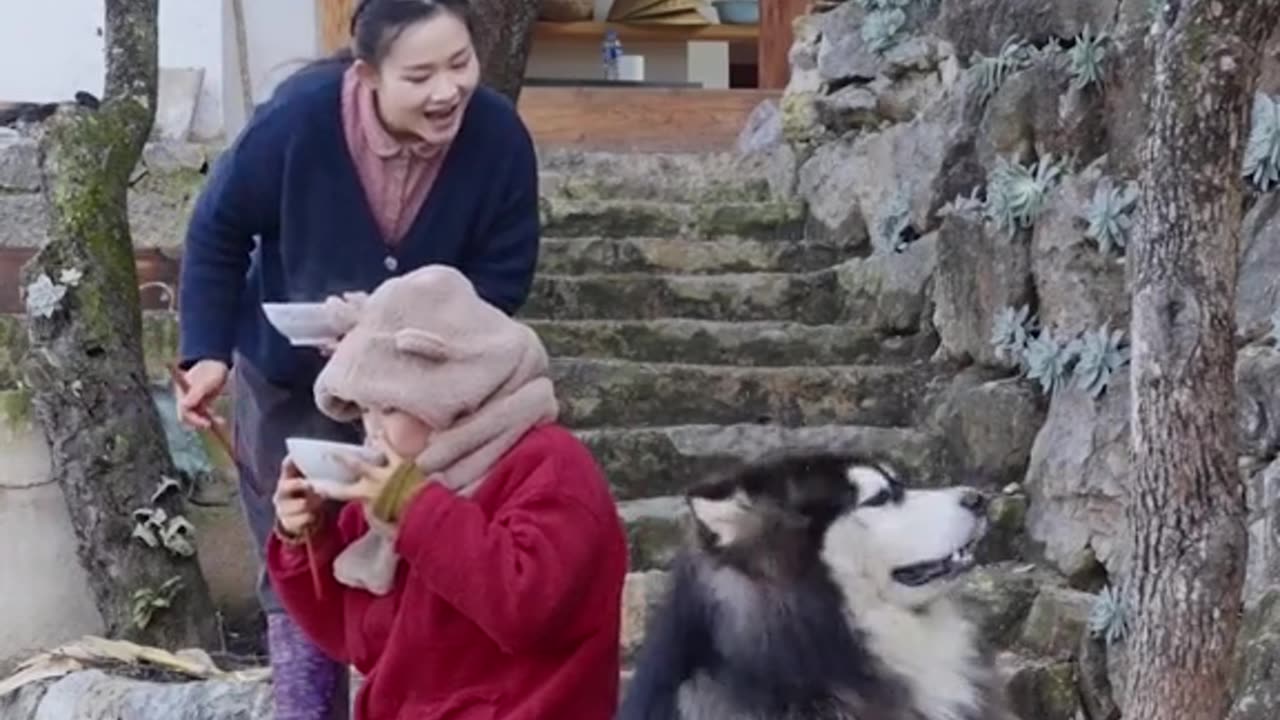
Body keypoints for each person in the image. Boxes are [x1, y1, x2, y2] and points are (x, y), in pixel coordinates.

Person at [172, 1, 540, 717]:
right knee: (298, 553)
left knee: (419, 553)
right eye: (421, 74)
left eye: (461, 65)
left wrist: (400, 331)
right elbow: (218, 230)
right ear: (368, 74)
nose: (448, 91)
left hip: (421, 402)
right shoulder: (298, 121)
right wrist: (207, 354)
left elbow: (503, 278)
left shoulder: (498, 139)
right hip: (290, 383)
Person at [266, 265, 628, 719]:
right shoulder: (398, 481)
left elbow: (526, 608)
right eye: (365, 410)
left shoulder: (551, 466)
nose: (373, 429)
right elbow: (352, 637)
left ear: (450, 395)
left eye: (390, 407)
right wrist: (306, 540)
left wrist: (414, 509)